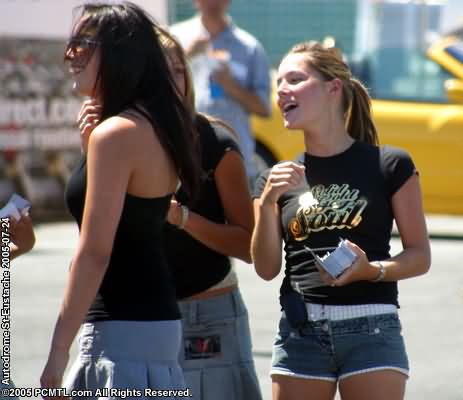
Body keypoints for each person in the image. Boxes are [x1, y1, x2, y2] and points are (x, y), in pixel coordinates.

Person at [77, 27, 263, 400]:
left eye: (178, 69)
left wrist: (183, 218)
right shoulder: (113, 138)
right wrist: (90, 154)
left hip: (205, 311)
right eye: (159, 71)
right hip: (130, 317)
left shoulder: (213, 141)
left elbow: (249, 245)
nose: (170, 80)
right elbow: (97, 241)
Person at [251, 41, 431, 400]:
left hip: (372, 328)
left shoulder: (389, 164)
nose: (281, 90)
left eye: (294, 79)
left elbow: (419, 256)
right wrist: (268, 202)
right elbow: (266, 268)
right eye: (278, 83)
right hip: (300, 331)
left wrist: (370, 270)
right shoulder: (274, 179)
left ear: (333, 88)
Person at [40, 2, 199, 398]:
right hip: (145, 323)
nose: (70, 54)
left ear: (119, 53)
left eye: (83, 43)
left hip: (123, 328)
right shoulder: (151, 124)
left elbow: (95, 253)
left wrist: (58, 351)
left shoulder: (117, 134)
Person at [170, 0, 271, 182]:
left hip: (236, 155)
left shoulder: (249, 47)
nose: (213, 2)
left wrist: (231, 86)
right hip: (185, 155)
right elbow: (157, 86)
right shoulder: (175, 38)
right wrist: (185, 56)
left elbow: (264, 108)